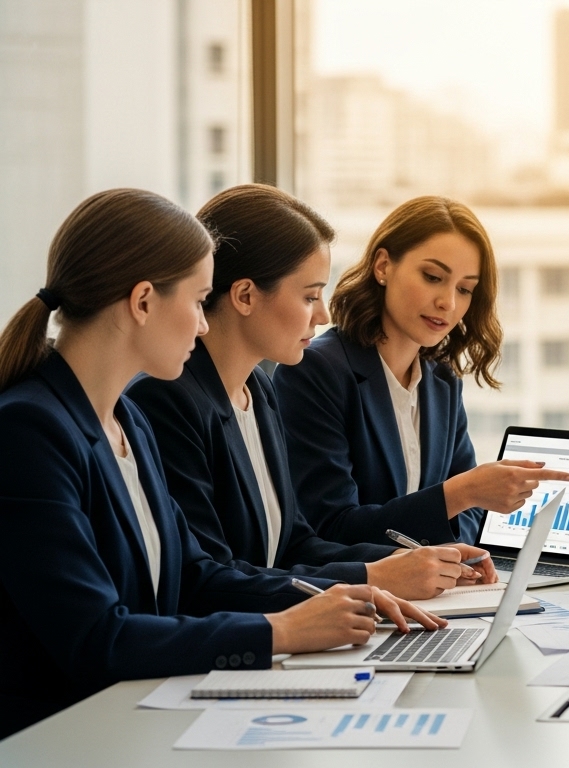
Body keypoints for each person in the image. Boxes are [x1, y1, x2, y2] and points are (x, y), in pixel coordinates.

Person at [0, 189, 444, 738]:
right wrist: (280, 632)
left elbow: (194, 575)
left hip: (132, 715)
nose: (204, 325)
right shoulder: (30, 429)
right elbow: (96, 638)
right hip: (62, 735)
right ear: (143, 302)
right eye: (197, 301)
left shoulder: (126, 422)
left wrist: (340, 598)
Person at [127, 185, 494, 600]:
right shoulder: (166, 400)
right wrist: (371, 580)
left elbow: (294, 545)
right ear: (245, 296)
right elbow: (204, 579)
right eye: (310, 296)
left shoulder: (257, 391)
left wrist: (406, 564)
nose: (322, 314)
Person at [274, 196, 569, 547]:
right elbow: (330, 528)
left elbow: (471, 515)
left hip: (435, 579)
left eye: (464, 289)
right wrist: (460, 493)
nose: (448, 302)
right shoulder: (316, 371)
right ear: (383, 266)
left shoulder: (442, 381)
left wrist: (459, 555)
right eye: (433, 277)